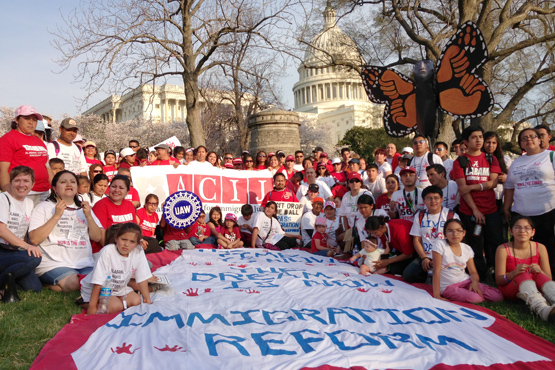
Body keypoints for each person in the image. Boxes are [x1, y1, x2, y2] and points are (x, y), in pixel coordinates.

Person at [29, 170, 102, 292]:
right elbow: (34, 239)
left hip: (84, 263)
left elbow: (97, 237)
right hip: (54, 264)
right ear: (55, 188)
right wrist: (56, 216)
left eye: (73, 182)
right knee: (75, 284)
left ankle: (59, 286)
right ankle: (46, 284)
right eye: (63, 182)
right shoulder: (44, 207)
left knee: (99, 282)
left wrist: (89, 216)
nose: (69, 184)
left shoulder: (85, 208)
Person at [452, 125, 502, 280]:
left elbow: (492, 183)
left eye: (480, 137)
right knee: (474, 244)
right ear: (466, 142)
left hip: (491, 209)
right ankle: (479, 273)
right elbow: (462, 189)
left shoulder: (490, 158)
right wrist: (475, 209)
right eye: (474, 137)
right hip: (469, 211)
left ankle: (497, 272)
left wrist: (472, 186)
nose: (479, 140)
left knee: (495, 242)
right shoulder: (460, 161)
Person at [504, 127, 555, 272]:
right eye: (524, 138)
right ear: (521, 144)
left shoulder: (551, 156)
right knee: (522, 248)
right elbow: (509, 187)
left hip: (547, 212)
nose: (528, 140)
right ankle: (524, 277)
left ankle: (549, 279)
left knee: (548, 247)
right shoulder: (516, 162)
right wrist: (506, 208)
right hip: (521, 213)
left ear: (540, 139)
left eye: (532, 136)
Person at [81, 223, 152, 315]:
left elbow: (142, 277)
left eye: (132, 242)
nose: (126, 244)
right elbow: (98, 282)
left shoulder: (138, 251)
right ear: (116, 238)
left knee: (136, 301)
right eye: (123, 239)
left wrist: (147, 300)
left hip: (119, 288)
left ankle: (117, 300)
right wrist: (92, 307)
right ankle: (84, 302)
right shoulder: (107, 251)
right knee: (115, 307)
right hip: (101, 289)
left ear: (137, 243)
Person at [495, 216, 555, 321]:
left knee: (538, 274)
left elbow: (548, 277)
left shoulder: (540, 247)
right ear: (511, 231)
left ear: (533, 232)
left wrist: (540, 271)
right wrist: (514, 273)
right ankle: (542, 310)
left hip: (536, 286)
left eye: (527, 228)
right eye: (517, 227)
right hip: (512, 288)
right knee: (522, 274)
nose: (522, 231)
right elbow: (499, 280)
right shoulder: (503, 249)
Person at [433, 219, 503, 303]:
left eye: (459, 231)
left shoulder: (467, 248)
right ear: (445, 234)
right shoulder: (440, 245)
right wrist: (437, 295)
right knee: (476, 298)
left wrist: (475, 282)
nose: (455, 234)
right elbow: (436, 271)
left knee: (497, 296)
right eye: (450, 231)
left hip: (465, 281)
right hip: (448, 286)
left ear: (464, 233)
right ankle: (471, 295)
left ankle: (470, 292)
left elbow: (473, 271)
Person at [0, 166, 42, 295]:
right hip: (2, 249)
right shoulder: (3, 199)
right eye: (17, 180)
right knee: (33, 258)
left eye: (26, 181)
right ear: (11, 183)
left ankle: (7, 279)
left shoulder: (29, 203)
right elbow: (1, 230)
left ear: (32, 184)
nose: (21, 184)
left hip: (13, 251)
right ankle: (3, 283)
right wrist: (26, 246)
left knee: (34, 288)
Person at [404, 185, 459, 283]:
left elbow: (457, 240)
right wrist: (424, 258)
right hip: (427, 255)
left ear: (441, 199)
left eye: (436, 198)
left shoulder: (451, 215)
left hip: (445, 256)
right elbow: (416, 240)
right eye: (429, 198)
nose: (433, 201)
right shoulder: (420, 216)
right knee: (408, 275)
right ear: (424, 200)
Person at [0, 105, 51, 205]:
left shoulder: (39, 141)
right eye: (27, 118)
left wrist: (55, 187)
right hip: (22, 193)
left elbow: (47, 166)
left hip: (44, 192)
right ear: (17, 120)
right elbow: (3, 170)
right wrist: (9, 197)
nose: (31, 122)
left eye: (34, 119)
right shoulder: (7, 139)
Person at [92, 174, 137, 254]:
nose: (116, 190)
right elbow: (102, 239)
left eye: (121, 188)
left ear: (127, 192)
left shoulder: (129, 205)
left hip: (127, 250)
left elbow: (135, 231)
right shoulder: (101, 205)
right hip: (105, 251)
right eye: (114, 186)